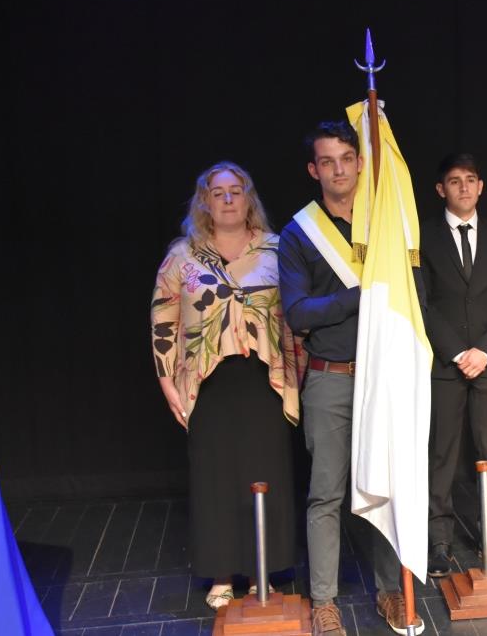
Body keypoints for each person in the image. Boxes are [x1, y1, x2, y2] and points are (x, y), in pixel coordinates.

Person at [278, 121, 423, 636]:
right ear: (314, 170)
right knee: (327, 494)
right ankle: (324, 601)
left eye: (347, 158)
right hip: (332, 379)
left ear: (362, 162)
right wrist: (361, 296)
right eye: (328, 161)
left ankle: (389, 591)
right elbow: (297, 313)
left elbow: (415, 294)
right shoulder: (301, 232)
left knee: (387, 485)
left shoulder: (385, 225)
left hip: (384, 376)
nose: (339, 169)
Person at [150, 161, 298, 610]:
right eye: (219, 192)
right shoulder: (183, 256)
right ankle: (220, 574)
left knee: (264, 473)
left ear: (249, 198)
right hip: (207, 384)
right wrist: (166, 382)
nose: (229, 199)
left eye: (237, 191)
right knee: (214, 477)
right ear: (205, 201)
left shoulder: (276, 250)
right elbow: (163, 320)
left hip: (263, 381)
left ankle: (261, 572)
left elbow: (295, 316)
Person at [421, 154, 487, 578]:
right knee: (441, 454)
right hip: (445, 364)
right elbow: (421, 302)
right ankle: (438, 542)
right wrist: (458, 352)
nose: (464, 187)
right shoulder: (424, 238)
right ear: (441, 189)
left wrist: (484, 350)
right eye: (455, 181)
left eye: (471, 180)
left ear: (481, 186)